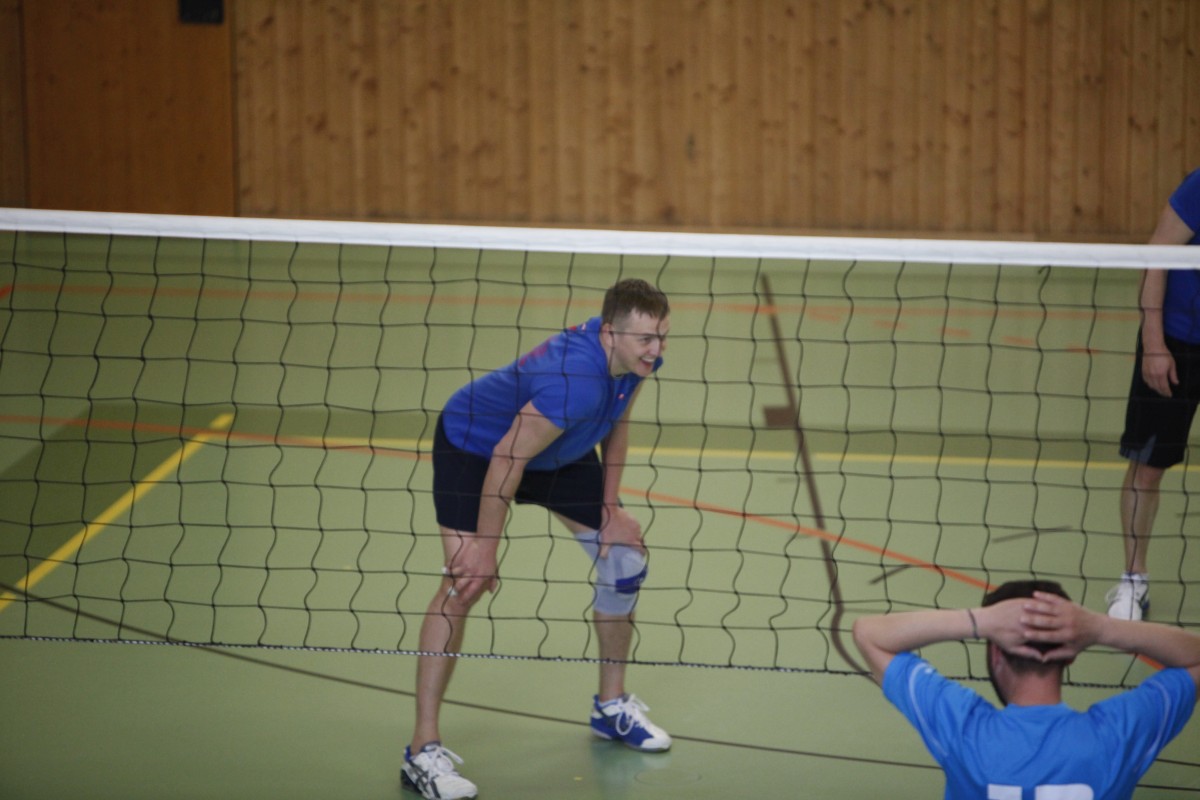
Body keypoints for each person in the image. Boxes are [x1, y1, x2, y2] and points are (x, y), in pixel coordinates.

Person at [401, 278, 673, 800]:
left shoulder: (636, 360)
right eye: (646, 339)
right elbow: (507, 457)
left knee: (623, 560)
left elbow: (618, 424)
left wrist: (610, 509)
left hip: (555, 449)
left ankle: (610, 706)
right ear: (609, 333)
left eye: (662, 336)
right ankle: (422, 750)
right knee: (464, 584)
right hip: (477, 448)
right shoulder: (574, 382)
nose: (656, 349)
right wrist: (485, 548)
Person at [852, 580, 1200, 799]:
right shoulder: (1117, 735)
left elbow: (868, 633)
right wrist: (1101, 627)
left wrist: (981, 621)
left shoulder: (964, 730)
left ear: (995, 653)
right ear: (1071, 655)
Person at [1109, 166, 1200, 620]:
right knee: (1147, 468)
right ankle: (1133, 580)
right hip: (1179, 342)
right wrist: (1154, 344)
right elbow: (1157, 253)